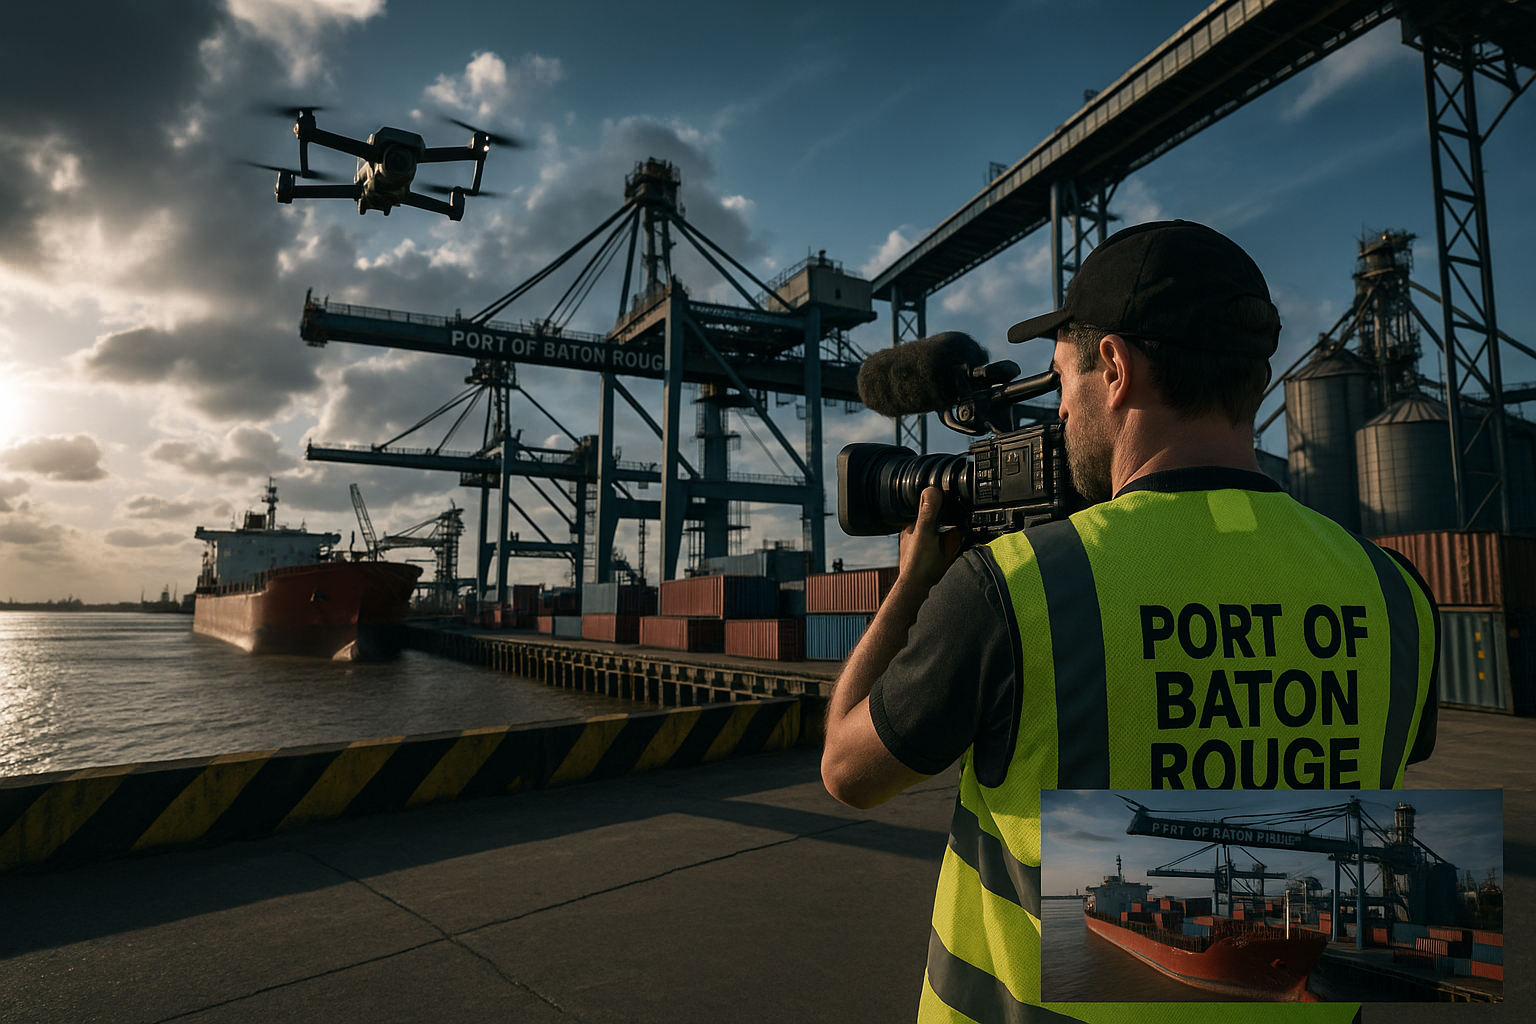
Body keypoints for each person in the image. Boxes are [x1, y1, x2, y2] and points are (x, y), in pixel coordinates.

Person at [821, 220, 1439, 1024]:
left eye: (1060, 380)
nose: (1061, 411)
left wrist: (911, 585)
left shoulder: (1016, 587)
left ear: (1114, 367)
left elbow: (848, 771)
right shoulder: (1396, 592)